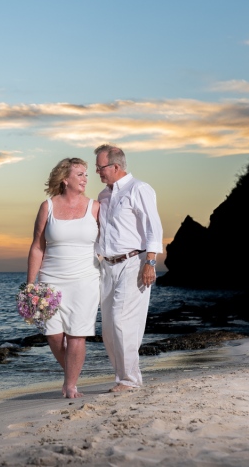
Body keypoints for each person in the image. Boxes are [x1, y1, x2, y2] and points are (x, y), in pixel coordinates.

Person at [27, 157, 101, 399]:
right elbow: (38, 246)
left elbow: (109, 242)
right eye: (79, 174)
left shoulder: (95, 207)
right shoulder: (47, 206)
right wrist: (31, 284)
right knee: (53, 333)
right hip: (50, 279)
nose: (85, 179)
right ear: (65, 179)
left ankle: (70, 385)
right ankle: (72, 372)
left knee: (77, 333)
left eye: (86, 174)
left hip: (85, 279)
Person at [93, 144, 163, 392]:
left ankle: (130, 381)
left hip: (134, 263)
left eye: (100, 167)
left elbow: (153, 227)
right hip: (107, 267)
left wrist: (150, 262)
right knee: (108, 330)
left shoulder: (139, 189)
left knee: (122, 322)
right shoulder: (103, 196)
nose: (97, 171)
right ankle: (122, 377)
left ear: (115, 166)